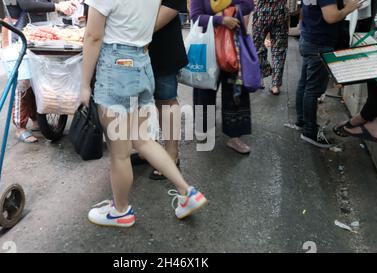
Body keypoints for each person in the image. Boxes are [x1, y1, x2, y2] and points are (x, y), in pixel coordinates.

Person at [81, 0, 207, 227]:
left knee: (119, 152)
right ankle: (187, 192)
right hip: (142, 61)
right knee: (142, 139)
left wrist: (83, 84)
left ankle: (120, 212)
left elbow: (93, 36)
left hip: (116, 66)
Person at [4, 0, 78, 143]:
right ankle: (20, 126)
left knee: (39, 77)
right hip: (19, 33)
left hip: (40, 32)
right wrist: (58, 6)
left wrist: (64, 4)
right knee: (23, 81)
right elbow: (27, 5)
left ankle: (36, 118)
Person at [295, 0, 363, 149]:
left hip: (309, 38)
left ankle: (302, 121)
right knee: (312, 89)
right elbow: (331, 17)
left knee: (305, 84)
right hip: (319, 43)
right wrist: (348, 8)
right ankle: (309, 131)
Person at [190, 0, 255, 155]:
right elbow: (196, 17)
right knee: (204, 90)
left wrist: (224, 9)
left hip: (233, 47)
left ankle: (234, 136)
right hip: (207, 46)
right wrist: (222, 19)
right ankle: (203, 128)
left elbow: (248, 5)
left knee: (235, 91)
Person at [145, 0, 188, 180]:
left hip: (162, 44)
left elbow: (173, 4)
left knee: (166, 100)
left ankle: (171, 154)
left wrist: (136, 30)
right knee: (140, 104)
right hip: (130, 48)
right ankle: (147, 149)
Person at [253, 0, 289, 95]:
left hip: (262, 10)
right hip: (280, 10)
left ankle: (260, 76)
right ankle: (275, 85)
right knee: (279, 50)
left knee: (258, 46)